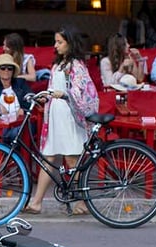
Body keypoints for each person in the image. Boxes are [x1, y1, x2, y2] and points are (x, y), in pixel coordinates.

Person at [25, 27, 98, 216]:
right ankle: (37, 202)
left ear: (70, 43)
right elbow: (54, 88)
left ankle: (81, 202)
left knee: (72, 159)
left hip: (70, 116)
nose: (55, 45)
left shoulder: (77, 65)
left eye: (60, 42)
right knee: (48, 156)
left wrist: (63, 94)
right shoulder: (58, 64)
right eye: (56, 41)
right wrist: (47, 97)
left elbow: (79, 89)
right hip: (56, 115)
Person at [0, 54, 33, 142]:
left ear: (13, 71)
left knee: (16, 132)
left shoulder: (20, 83)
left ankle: (5, 146)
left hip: (19, 122)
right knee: (3, 132)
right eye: (3, 68)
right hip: (1, 122)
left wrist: (23, 110)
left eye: (10, 68)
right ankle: (5, 146)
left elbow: (31, 98)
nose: (6, 71)